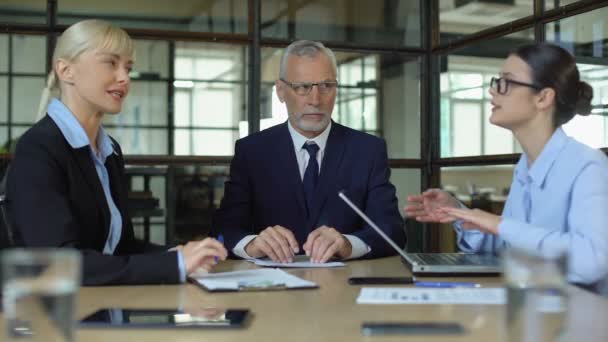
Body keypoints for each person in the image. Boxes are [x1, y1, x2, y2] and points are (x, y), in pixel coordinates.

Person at [6, 19, 227, 286]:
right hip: (60, 319)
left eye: (128, 67)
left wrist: (179, 254)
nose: (124, 77)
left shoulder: (109, 150)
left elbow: (119, 249)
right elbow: (59, 264)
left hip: (106, 309)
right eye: (111, 63)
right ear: (66, 70)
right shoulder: (38, 149)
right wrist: (174, 264)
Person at [405, 43, 608, 289]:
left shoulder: (589, 165)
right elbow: (508, 246)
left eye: (506, 83)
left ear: (543, 97)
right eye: (496, 81)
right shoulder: (526, 167)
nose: (493, 92)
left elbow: (593, 262)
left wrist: (500, 224)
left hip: (580, 315)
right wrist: (459, 213)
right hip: (531, 306)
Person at [212, 40, 405, 264]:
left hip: (343, 287)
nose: (315, 100)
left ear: (336, 89)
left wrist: (349, 244)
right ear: (281, 91)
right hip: (272, 288)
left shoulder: (368, 150)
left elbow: (392, 231)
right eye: (303, 87)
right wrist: (251, 244)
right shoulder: (251, 152)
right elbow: (223, 230)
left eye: (326, 86)